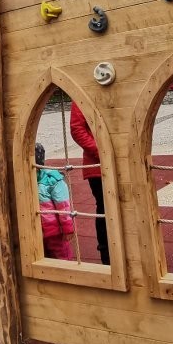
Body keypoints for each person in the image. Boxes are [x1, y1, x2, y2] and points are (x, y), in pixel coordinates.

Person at [69, 102, 109, 265]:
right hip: (97, 165)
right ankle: (106, 252)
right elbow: (77, 128)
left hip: (118, 161)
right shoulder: (81, 98)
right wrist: (102, 152)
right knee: (104, 207)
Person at [35, 142, 75, 260]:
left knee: (62, 257)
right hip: (37, 229)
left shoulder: (52, 179)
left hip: (54, 231)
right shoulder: (25, 178)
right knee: (42, 258)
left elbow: (63, 206)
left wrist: (68, 228)